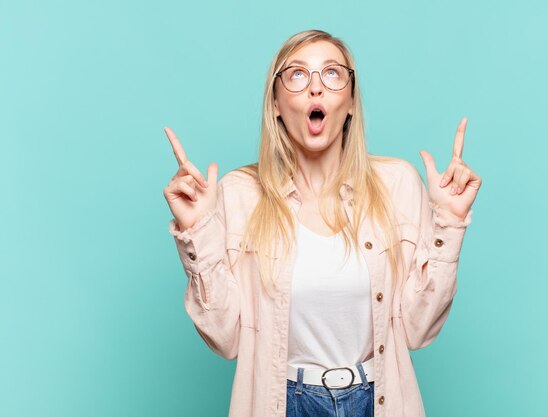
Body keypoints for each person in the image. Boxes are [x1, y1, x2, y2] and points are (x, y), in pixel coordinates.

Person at [163, 29, 481, 417]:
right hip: (283, 402)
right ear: (276, 103)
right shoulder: (239, 194)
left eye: (332, 74)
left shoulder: (397, 184)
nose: (316, 88)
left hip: (378, 401)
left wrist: (449, 221)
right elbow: (225, 339)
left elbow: (419, 329)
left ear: (350, 102)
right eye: (297, 75)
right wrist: (198, 232)